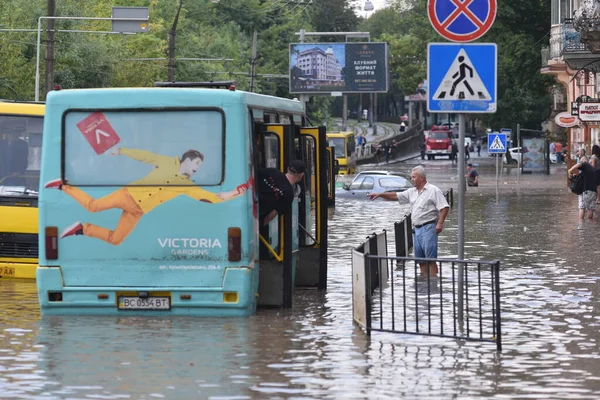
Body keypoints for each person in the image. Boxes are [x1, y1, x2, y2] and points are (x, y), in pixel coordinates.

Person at [44, 147, 248, 245]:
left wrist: (235, 193)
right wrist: (121, 150)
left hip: (138, 211)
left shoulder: (186, 185)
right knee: (93, 206)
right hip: (128, 194)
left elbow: (211, 198)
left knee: (116, 240)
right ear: (187, 159)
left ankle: (83, 228)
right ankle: (63, 185)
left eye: (199, 167)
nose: (197, 169)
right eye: (197, 164)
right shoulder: (167, 161)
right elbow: (145, 156)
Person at [367, 165, 450, 277]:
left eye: (414, 177)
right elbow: (395, 196)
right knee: (420, 261)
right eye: (411, 177)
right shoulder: (412, 192)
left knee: (430, 260)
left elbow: (444, 207)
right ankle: (424, 282)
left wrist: (439, 223)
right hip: (417, 230)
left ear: (421, 178)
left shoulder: (433, 190)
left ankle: (434, 285)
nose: (412, 179)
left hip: (429, 228)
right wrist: (380, 194)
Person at [258, 160, 305, 226]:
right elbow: (271, 216)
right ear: (301, 175)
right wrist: (259, 226)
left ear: (288, 169)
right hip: (255, 215)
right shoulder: (289, 195)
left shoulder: (273, 171)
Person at [568, 149, 596, 221]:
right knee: (591, 208)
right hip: (593, 191)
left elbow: (579, 165)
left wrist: (570, 170)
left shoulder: (585, 165)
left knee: (582, 207)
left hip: (585, 191)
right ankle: (590, 224)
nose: (580, 162)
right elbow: (580, 177)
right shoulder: (591, 169)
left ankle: (581, 225)